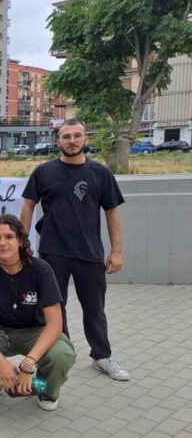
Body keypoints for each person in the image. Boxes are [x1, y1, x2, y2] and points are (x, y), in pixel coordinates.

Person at [20, 118, 129, 381]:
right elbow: (28, 206)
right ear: (58, 141)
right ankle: (61, 354)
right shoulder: (43, 172)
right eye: (66, 136)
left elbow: (112, 212)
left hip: (89, 253)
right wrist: (23, 245)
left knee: (95, 308)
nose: (72, 141)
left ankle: (101, 356)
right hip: (52, 253)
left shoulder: (100, 173)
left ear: (85, 139)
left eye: (76, 136)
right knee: (54, 308)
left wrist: (117, 251)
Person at [0, 214, 77, 410]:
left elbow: (55, 323)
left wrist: (27, 365)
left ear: (21, 240)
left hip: (35, 331)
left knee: (62, 354)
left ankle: (44, 389)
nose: (2, 243)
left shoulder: (41, 269)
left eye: (9, 237)